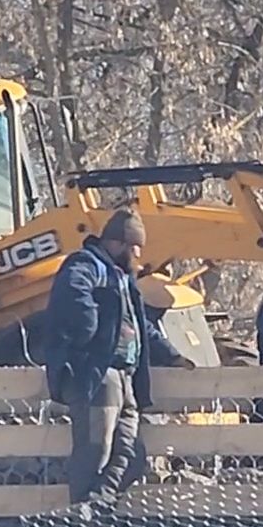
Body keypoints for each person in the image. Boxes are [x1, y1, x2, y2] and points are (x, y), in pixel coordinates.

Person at [43, 210, 192, 504]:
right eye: (135, 247)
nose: (138, 254)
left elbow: (140, 326)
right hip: (99, 375)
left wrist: (172, 355)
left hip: (125, 378)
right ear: (118, 243)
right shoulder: (88, 265)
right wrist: (90, 328)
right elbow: (73, 290)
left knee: (130, 454)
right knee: (95, 449)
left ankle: (96, 506)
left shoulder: (122, 279)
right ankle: (81, 523)